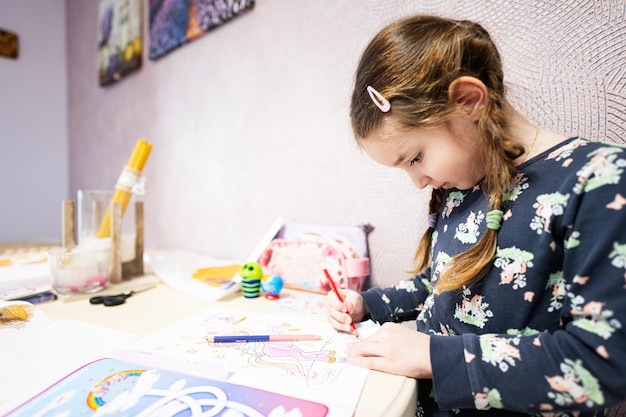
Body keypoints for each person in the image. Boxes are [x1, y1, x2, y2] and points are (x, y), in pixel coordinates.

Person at [325, 14, 626, 416]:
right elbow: (439, 284)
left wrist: (433, 356)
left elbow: (600, 364)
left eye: (416, 157)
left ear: (469, 100)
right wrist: (367, 303)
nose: (418, 182)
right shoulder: (460, 187)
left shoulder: (598, 180)